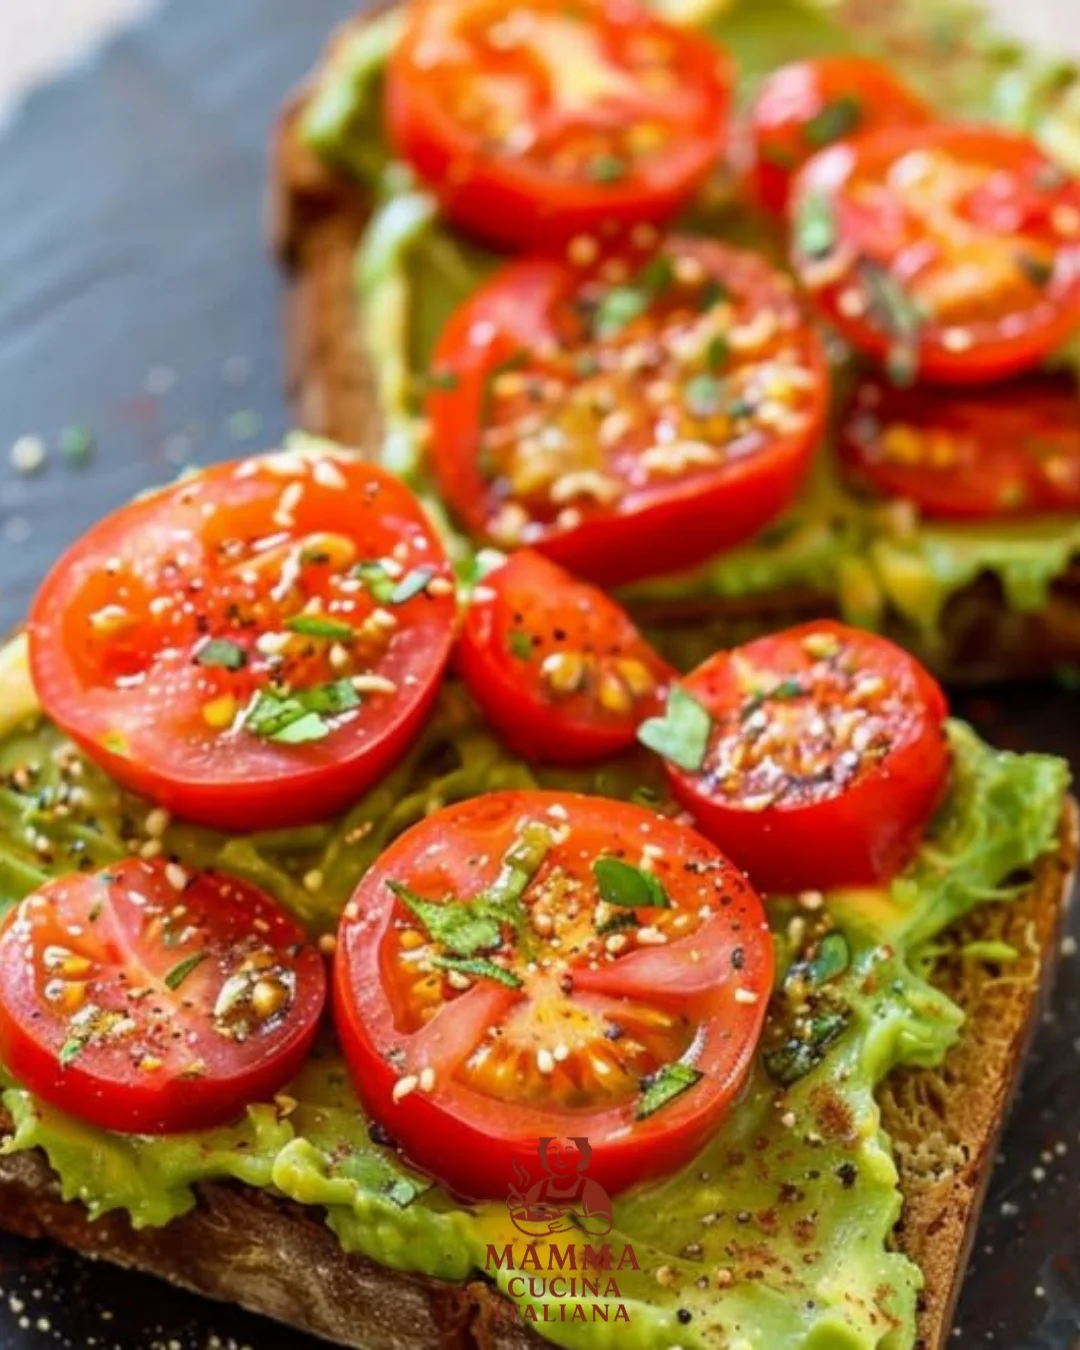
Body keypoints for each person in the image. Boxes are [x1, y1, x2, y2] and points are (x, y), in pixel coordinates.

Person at [506, 1136, 613, 1237]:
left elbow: (604, 1225)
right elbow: (522, 1209)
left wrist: (570, 1223)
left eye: (569, 1153)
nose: (560, 1160)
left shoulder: (590, 1188)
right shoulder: (541, 1185)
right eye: (552, 1152)